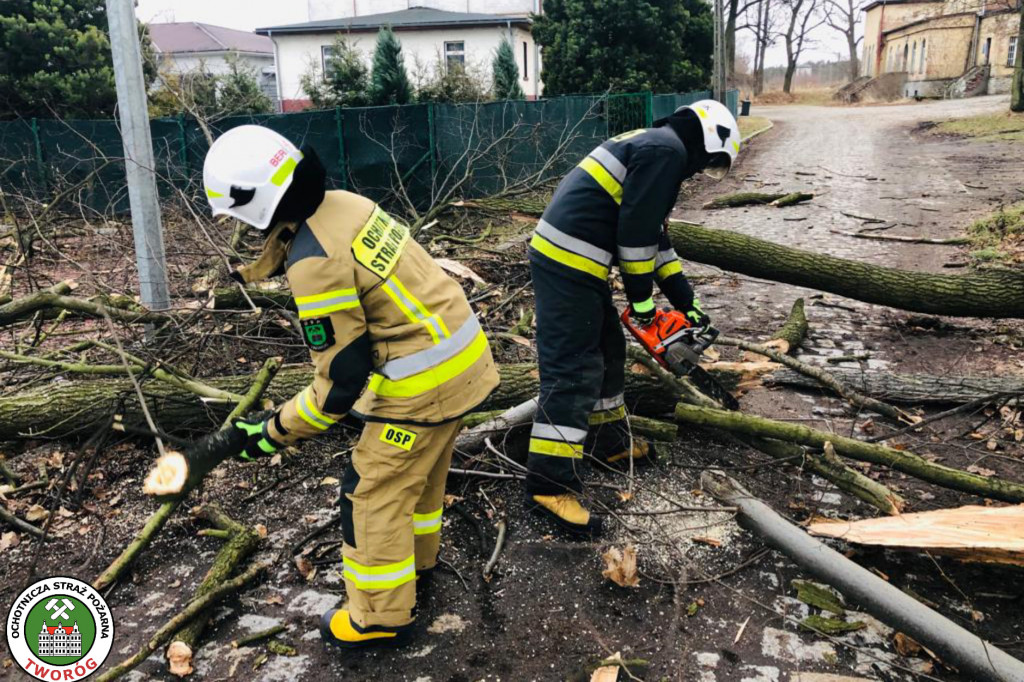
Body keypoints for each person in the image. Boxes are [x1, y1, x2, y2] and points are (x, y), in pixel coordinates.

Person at [201, 125, 500, 648]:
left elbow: (339, 384)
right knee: (421, 478)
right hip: (465, 364)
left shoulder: (314, 262)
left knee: (370, 492)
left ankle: (380, 616)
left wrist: (274, 431)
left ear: (254, 202)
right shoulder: (345, 204)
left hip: (421, 390)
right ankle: (417, 564)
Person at [525, 100, 741, 536]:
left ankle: (608, 442)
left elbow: (657, 239)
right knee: (574, 370)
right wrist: (643, 303)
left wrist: (686, 302)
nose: (702, 171)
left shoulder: (659, 147)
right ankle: (548, 484)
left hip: (576, 261)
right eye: (710, 163)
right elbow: (635, 238)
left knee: (608, 350)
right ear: (709, 139)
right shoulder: (667, 153)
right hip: (569, 261)